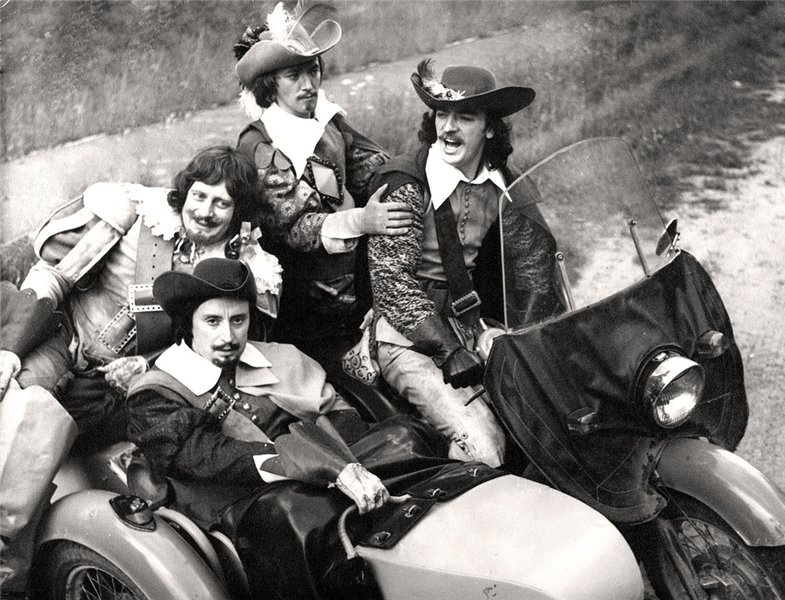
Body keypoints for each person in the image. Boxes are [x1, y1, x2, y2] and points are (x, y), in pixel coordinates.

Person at [0, 147, 280, 596]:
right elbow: (53, 278)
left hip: (134, 384)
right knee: (24, 409)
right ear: (184, 191)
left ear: (238, 212)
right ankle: (6, 567)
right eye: (199, 195)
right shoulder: (137, 217)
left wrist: (147, 365)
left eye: (222, 203)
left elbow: (222, 350)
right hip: (64, 341)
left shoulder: (241, 267)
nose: (205, 211)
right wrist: (12, 350)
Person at [126, 258, 453, 598]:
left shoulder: (279, 357)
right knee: (294, 510)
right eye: (212, 321)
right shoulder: (157, 390)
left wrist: (339, 462)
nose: (228, 336)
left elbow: (339, 414)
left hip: (324, 467)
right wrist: (314, 464)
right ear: (189, 324)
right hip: (234, 500)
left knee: (407, 437)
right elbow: (206, 458)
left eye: (238, 320)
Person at [367, 60, 563, 468]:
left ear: (490, 128)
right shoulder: (406, 183)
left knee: (554, 416)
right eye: (442, 114)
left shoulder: (504, 184)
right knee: (485, 448)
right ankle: (445, 499)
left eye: (465, 117)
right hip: (406, 337)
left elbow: (535, 267)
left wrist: (522, 337)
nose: (449, 128)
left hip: (472, 326)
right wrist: (448, 349)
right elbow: (392, 283)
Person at [232, 2, 413, 383]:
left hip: (356, 294)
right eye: (293, 75)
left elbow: (377, 169)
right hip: (301, 314)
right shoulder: (261, 144)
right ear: (269, 84)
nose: (308, 84)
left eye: (312, 70)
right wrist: (361, 219)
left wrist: (417, 176)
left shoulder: (329, 124)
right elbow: (295, 228)